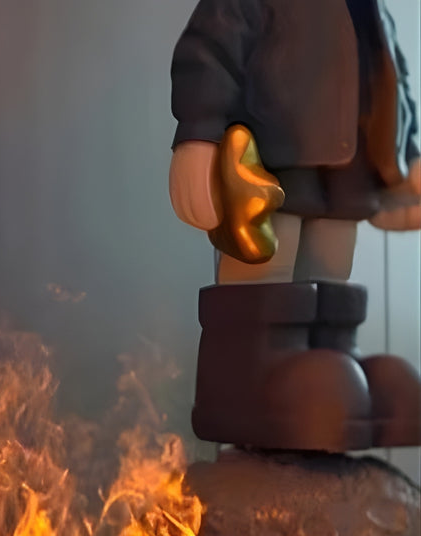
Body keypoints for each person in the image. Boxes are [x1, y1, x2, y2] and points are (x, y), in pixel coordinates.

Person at [170, 0, 420, 451]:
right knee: (266, 270)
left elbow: (389, 70)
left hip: (346, 173)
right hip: (269, 162)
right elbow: (213, 45)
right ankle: (251, 389)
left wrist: (404, 158)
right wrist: (199, 133)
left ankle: (332, 369)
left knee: (331, 273)